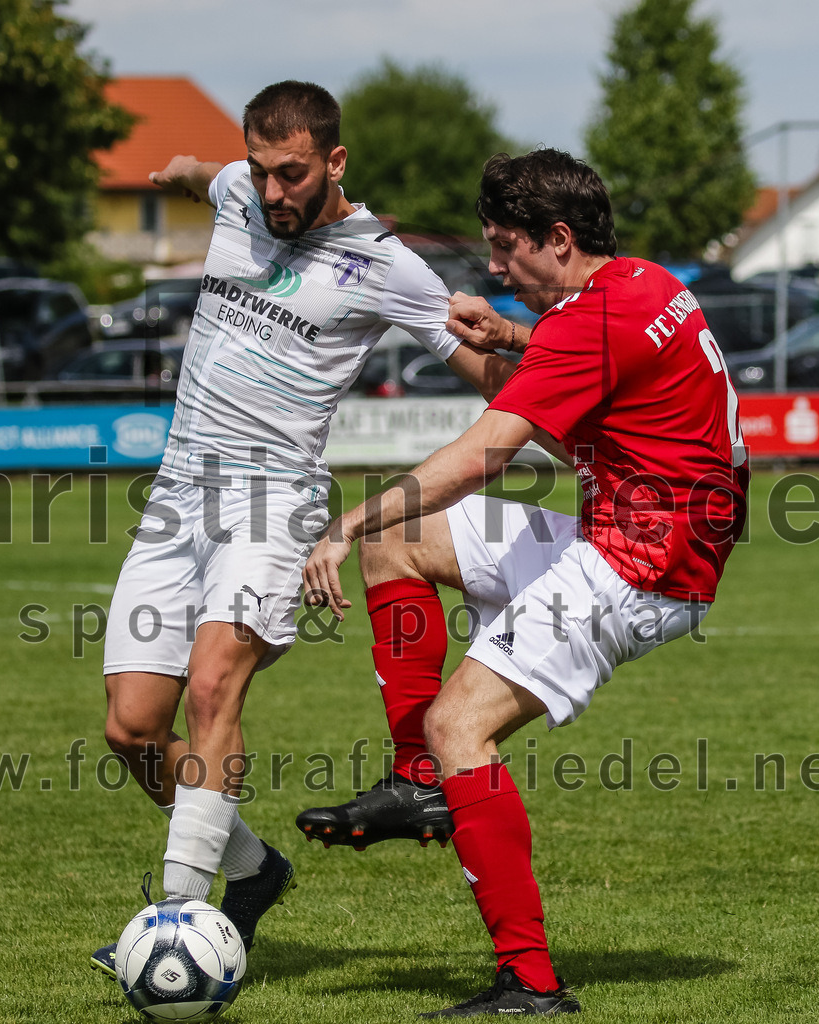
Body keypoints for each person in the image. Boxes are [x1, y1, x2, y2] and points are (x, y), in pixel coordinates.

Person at [300, 147, 749, 1016]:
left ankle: (530, 983)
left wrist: (343, 522)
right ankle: (418, 781)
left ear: (558, 238)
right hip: (643, 541)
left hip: (638, 567)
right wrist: (508, 335)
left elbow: (482, 455)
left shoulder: (588, 324)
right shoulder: (644, 283)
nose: (497, 269)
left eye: (506, 248)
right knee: (400, 540)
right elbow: (583, 348)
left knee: (457, 724)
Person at [89, 80, 515, 977]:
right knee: (132, 730)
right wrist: (179, 168)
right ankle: (254, 870)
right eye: (261, 170)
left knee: (213, 688)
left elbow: (485, 370)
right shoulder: (236, 191)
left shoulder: (388, 265)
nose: (273, 191)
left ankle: (178, 918)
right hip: (176, 496)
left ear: (334, 160)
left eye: (291, 172)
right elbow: (203, 174)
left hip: (271, 503)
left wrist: (559, 382)